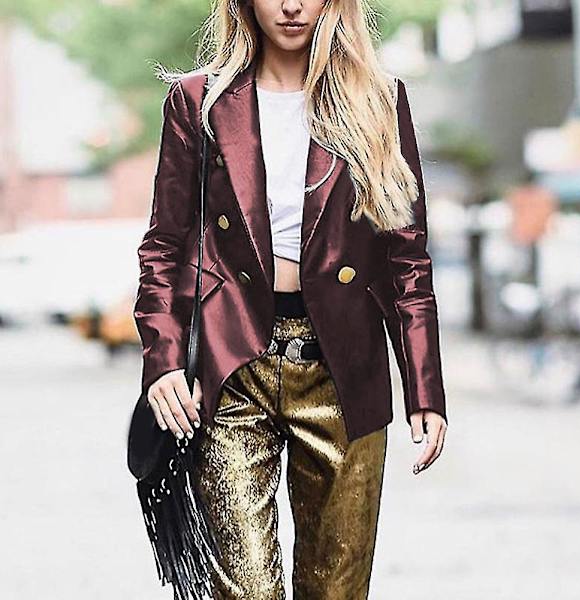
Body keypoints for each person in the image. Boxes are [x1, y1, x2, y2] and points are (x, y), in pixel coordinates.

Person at [133, 0, 448, 597]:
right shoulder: (198, 103)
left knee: (337, 589)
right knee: (245, 589)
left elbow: (407, 258)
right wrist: (164, 360)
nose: (292, 5)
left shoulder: (379, 100)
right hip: (233, 366)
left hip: (343, 368)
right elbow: (166, 246)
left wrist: (424, 388)